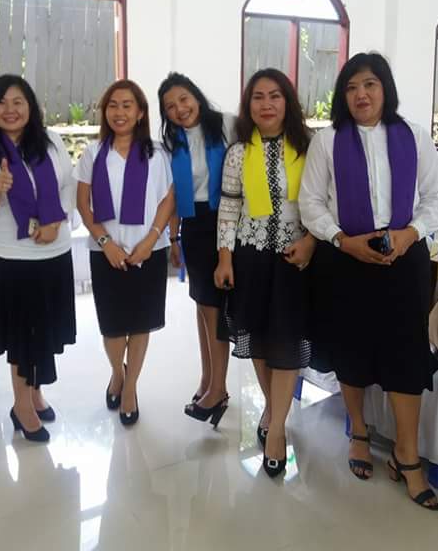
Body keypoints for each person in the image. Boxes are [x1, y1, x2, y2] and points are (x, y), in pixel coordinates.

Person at [299, 52, 438, 510]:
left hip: (404, 257)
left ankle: (407, 455)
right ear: (343, 95)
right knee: (352, 347)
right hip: (346, 260)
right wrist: (342, 240)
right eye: (352, 87)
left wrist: (410, 233)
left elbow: (435, 197)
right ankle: (358, 432)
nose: (361, 94)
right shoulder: (327, 141)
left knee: (406, 354)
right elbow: (311, 203)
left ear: (385, 89)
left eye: (370, 84)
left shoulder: (414, 137)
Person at [214, 69, 315, 476]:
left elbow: (324, 203)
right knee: (257, 340)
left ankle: (275, 431)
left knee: (285, 342)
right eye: (258, 97)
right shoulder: (239, 152)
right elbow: (229, 208)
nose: (267, 104)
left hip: (295, 258)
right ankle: (275, 412)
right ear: (248, 105)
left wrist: (311, 242)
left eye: (275, 96)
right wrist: (225, 258)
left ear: (287, 102)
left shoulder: (309, 147)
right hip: (251, 257)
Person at [0, 75, 76, 443]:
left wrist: (55, 223)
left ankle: (35, 394)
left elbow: (68, 187)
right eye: (1, 102)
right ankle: (21, 406)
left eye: (18, 101)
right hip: (14, 258)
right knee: (23, 335)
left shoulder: (52, 141)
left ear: (31, 107)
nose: (10, 109)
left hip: (55, 251)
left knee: (44, 332)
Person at [76, 79, 174, 426]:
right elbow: (83, 204)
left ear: (140, 112)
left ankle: (129, 387)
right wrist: (106, 243)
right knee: (114, 327)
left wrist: (150, 241)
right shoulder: (93, 154)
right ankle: (118, 372)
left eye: (127, 105)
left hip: (149, 250)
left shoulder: (157, 153)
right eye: (113, 105)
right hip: (107, 252)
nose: (119, 112)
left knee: (141, 323)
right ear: (105, 112)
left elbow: (167, 200)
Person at [158, 73, 234, 421]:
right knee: (202, 306)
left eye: (184, 99)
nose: (180, 109)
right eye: (170, 106)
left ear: (197, 97)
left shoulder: (226, 125)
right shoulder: (172, 142)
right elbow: (174, 193)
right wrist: (173, 237)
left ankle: (219, 389)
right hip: (193, 225)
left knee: (214, 308)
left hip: (224, 219)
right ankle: (208, 380)